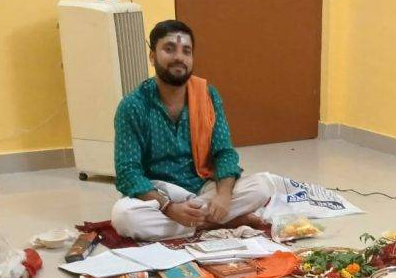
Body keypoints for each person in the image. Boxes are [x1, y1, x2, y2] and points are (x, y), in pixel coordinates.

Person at [110, 20, 276, 241]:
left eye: (186, 51)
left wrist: (224, 195)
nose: (179, 57)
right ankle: (225, 220)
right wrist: (169, 207)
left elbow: (224, 152)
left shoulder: (207, 95)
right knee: (123, 217)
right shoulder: (132, 106)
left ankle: (199, 220)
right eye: (169, 49)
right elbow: (128, 173)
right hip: (159, 194)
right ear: (152, 56)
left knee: (263, 186)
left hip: (202, 187)